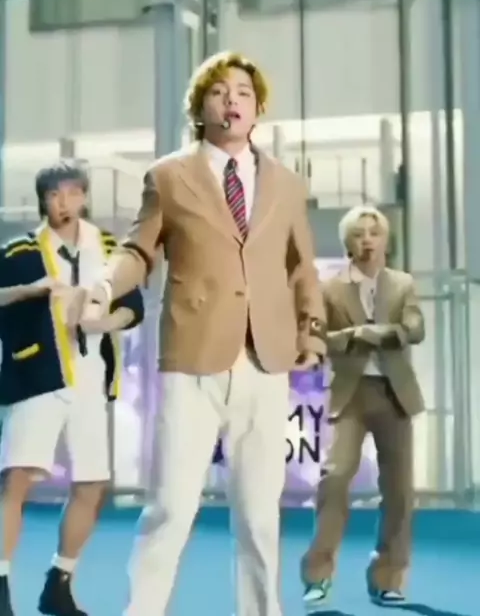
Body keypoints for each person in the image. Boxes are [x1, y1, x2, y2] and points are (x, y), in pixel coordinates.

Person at [78, 52, 327, 616]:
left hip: (266, 360)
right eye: (218, 91)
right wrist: (104, 285)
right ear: (200, 108)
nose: (231, 100)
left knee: (260, 516)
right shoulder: (168, 176)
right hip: (191, 359)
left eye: (243, 92)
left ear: (258, 109)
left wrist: (311, 331)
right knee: (170, 506)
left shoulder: (287, 184)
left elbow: (301, 268)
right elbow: (139, 251)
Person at [0, 161, 144, 616]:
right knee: (16, 479)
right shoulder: (19, 250)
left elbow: (133, 305)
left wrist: (105, 322)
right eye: (54, 195)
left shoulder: (109, 248)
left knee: (92, 483)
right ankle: (0, 580)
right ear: (43, 200)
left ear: (84, 196)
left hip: (92, 380)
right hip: (37, 379)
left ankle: (59, 582)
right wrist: (30, 290)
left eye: (73, 193)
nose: (64, 203)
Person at [301, 204, 425, 608]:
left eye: (374, 232)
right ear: (348, 242)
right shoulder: (329, 288)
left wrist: (382, 332)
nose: (368, 240)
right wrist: (355, 336)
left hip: (395, 394)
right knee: (335, 479)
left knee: (399, 491)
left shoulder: (403, 284)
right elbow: (318, 338)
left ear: (386, 239)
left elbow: (415, 328)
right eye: (359, 233)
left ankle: (388, 578)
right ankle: (318, 575)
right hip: (348, 394)